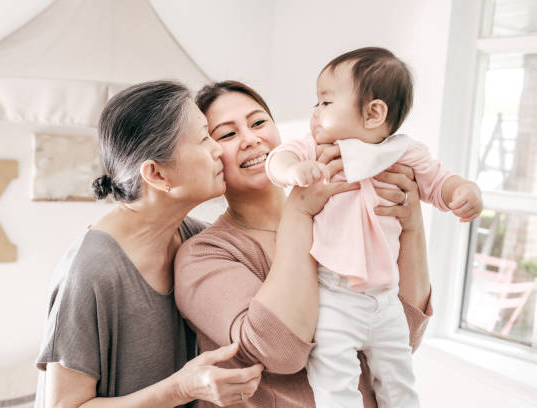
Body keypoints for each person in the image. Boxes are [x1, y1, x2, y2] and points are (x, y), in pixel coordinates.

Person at [174, 79, 434, 408]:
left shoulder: (343, 214)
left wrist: (412, 223)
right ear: (210, 154)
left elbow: (405, 335)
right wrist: (299, 211)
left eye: (258, 123)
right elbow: (281, 352)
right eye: (227, 134)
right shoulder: (204, 256)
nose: (250, 139)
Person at [266, 47, 483, 407]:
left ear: (373, 113)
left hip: (386, 299)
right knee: (334, 381)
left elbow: (439, 181)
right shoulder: (319, 147)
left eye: (325, 102)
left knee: (399, 381)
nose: (314, 113)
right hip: (334, 294)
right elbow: (279, 158)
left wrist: (463, 191)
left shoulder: (403, 152)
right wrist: (292, 170)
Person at [34, 80, 264, 408]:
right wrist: (181, 389)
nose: (217, 149)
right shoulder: (89, 273)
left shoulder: (199, 241)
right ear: (156, 175)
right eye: (204, 138)